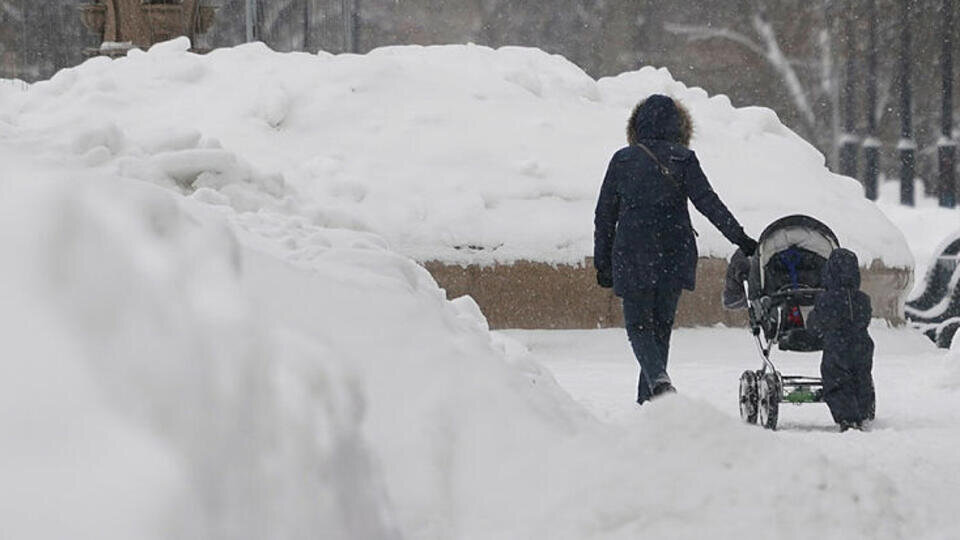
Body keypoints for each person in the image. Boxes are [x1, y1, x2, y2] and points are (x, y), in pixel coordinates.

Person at [593, 94, 758, 405]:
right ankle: (653, 402)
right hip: (674, 250)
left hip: (633, 252)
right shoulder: (683, 159)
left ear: (637, 125)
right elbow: (709, 204)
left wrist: (602, 261)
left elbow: (604, 215)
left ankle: (657, 382)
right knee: (661, 327)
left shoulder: (623, 160)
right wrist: (741, 238)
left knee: (639, 326)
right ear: (678, 126)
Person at [807, 248, 876, 431]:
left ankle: (847, 418)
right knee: (861, 377)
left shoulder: (826, 299)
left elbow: (816, 323)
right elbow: (864, 319)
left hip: (837, 344)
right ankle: (864, 411)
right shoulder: (863, 299)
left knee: (837, 380)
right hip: (862, 343)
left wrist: (814, 329)